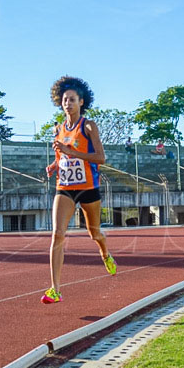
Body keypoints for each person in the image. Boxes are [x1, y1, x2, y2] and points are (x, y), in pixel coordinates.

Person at [42, 76, 116, 304]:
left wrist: (73, 153)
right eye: (65, 100)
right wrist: (55, 165)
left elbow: (100, 158)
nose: (68, 103)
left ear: (81, 101)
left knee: (94, 233)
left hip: (88, 187)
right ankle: (55, 289)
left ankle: (104, 251)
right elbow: (61, 154)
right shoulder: (58, 128)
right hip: (64, 187)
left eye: (72, 99)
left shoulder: (89, 126)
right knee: (57, 234)